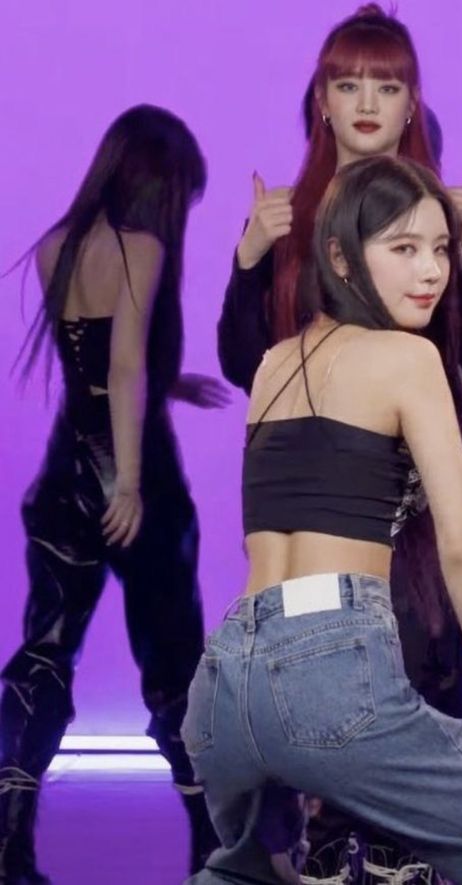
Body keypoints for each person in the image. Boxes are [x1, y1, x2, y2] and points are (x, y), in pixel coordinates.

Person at [182, 155, 462, 885]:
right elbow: (460, 544)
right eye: (403, 248)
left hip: (223, 684)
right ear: (339, 257)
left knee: (242, 875)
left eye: (439, 249)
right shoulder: (408, 358)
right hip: (328, 669)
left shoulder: (274, 362)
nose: (430, 271)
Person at [215, 6, 462, 879]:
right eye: (346, 84)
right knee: (332, 707)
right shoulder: (288, 220)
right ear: (320, 100)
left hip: (423, 491)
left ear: (412, 101)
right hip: (334, 501)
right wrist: (247, 259)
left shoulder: (435, 220)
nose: (365, 103)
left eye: (385, 87)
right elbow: (249, 364)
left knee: (426, 695)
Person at [0, 104, 227, 883]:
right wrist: (127, 481)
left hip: (64, 471)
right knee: (174, 661)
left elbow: (94, 368)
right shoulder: (143, 246)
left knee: (44, 655)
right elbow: (123, 364)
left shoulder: (56, 245)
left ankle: (8, 847)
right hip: (137, 476)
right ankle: (212, 845)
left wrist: (173, 383)